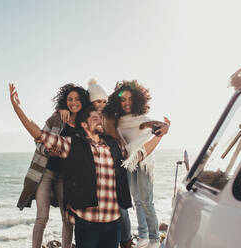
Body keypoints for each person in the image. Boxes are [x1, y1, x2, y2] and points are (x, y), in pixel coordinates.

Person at [9, 83, 164, 248]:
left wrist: (159, 136)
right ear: (84, 124)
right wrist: (18, 109)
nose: (99, 119)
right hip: (86, 224)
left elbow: (138, 155)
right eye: (94, 118)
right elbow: (40, 135)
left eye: (100, 118)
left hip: (112, 224)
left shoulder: (115, 146)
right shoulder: (74, 145)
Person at [16, 83, 91, 248]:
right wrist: (49, 151)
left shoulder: (84, 126)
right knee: (42, 217)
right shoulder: (57, 118)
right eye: (69, 99)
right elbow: (39, 141)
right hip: (46, 173)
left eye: (77, 99)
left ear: (83, 101)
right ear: (65, 101)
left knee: (67, 218)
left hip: (67, 177)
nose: (73, 103)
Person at [104, 80, 170, 248]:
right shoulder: (118, 120)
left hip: (143, 161)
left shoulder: (141, 119)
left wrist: (164, 126)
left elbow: (153, 124)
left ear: (138, 100)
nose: (126, 103)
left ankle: (154, 239)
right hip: (128, 161)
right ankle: (143, 236)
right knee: (137, 200)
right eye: (123, 99)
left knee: (146, 201)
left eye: (130, 99)